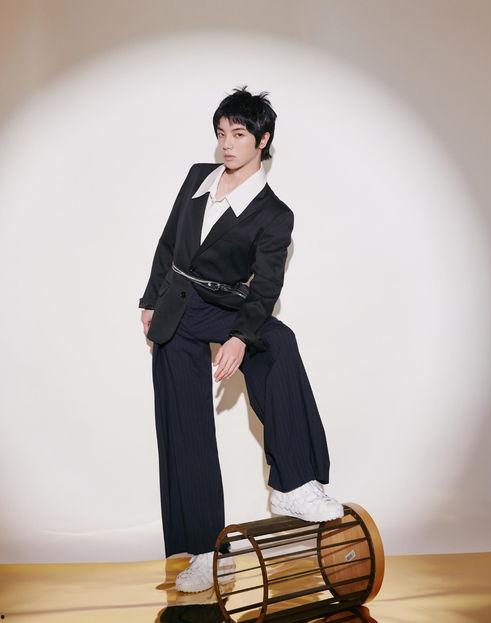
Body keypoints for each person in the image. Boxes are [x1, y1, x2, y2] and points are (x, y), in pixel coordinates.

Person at [139, 86, 343, 593]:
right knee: (185, 428)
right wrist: (149, 299)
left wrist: (238, 337)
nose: (227, 143)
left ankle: (294, 482)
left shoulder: (274, 214)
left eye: (238, 134)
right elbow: (168, 241)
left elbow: (266, 286)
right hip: (176, 305)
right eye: (221, 133)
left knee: (279, 342)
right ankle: (206, 553)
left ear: (262, 140)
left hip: (227, 305)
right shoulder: (197, 178)